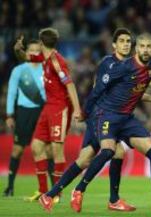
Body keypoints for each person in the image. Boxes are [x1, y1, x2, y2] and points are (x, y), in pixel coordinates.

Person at [38, 32, 151, 214]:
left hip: (126, 119)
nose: (145, 50)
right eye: (142, 46)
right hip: (105, 116)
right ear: (136, 49)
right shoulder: (118, 67)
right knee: (105, 152)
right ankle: (75, 190)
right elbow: (97, 90)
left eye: (149, 46)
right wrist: (84, 113)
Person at [37, 28, 139, 212]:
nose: (126, 44)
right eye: (122, 41)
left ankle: (49, 195)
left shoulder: (126, 66)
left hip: (100, 115)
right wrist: (84, 111)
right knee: (117, 152)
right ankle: (103, 196)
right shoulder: (109, 63)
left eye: (128, 41)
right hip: (101, 115)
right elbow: (97, 90)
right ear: (114, 44)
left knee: (84, 160)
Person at [14, 28, 82, 202]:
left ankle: (56, 192)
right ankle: (43, 190)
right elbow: (26, 58)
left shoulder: (57, 61)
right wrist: (17, 50)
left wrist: (77, 109)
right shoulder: (44, 58)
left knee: (56, 150)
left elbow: (70, 85)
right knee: (36, 146)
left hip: (59, 109)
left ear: (41, 42)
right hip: (47, 108)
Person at [3, 40, 52, 197]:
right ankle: (9, 187)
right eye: (31, 50)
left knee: (48, 151)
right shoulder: (18, 70)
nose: (34, 53)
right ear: (26, 52)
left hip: (43, 113)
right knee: (17, 150)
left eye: (38, 50)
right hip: (24, 113)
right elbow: (11, 93)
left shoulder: (46, 69)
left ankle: (54, 189)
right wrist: (10, 115)